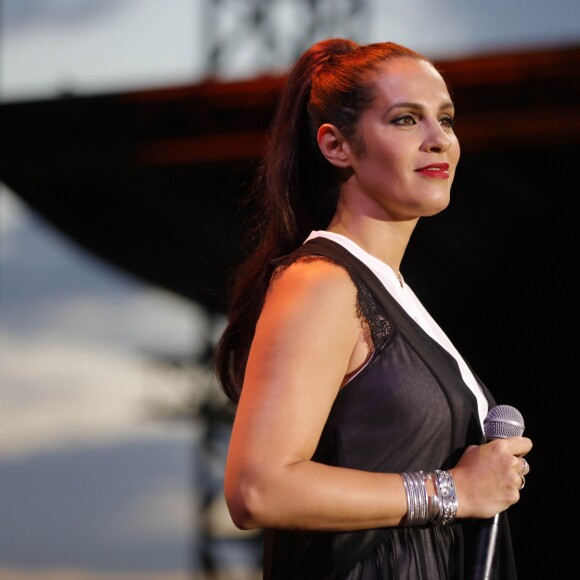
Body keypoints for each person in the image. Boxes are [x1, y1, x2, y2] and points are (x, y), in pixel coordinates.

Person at [214, 37, 533, 579]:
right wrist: (454, 490)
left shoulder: (392, 291)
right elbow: (258, 488)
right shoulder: (322, 283)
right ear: (337, 145)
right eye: (407, 120)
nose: (439, 141)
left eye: (447, 119)